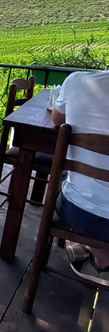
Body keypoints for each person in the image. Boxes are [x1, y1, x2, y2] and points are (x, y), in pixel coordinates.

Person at [51, 70, 109, 285]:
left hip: (80, 213)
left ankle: (99, 258)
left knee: (65, 177)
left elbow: (57, 118)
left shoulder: (77, 80)